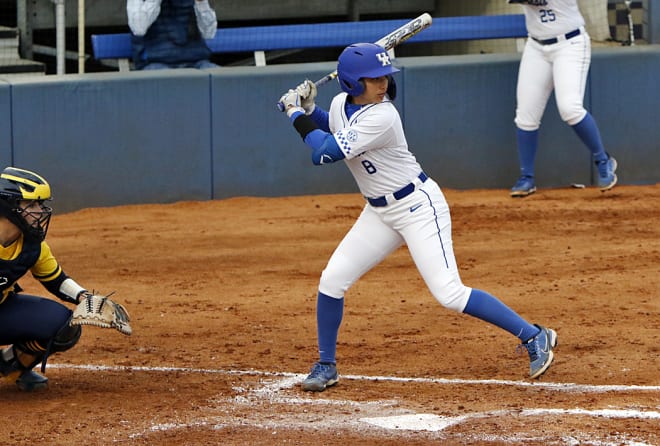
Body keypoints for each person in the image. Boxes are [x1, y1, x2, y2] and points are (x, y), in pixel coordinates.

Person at [277, 43, 558, 392]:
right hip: (379, 213)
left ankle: (534, 335)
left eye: (384, 77)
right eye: (373, 78)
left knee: (450, 294)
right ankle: (326, 364)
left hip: (417, 208)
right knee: (331, 281)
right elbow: (333, 124)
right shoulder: (340, 104)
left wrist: (293, 112)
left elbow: (325, 153)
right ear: (351, 84)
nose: (383, 84)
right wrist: (310, 109)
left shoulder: (384, 115)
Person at [0, 167, 129, 392]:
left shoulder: (32, 246)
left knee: (62, 325)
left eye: (40, 204)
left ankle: (9, 365)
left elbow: (56, 279)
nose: (40, 211)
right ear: (8, 208)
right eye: (31, 205)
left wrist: (86, 298)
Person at [508, 0, 617, 197]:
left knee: (570, 108)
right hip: (536, 47)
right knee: (525, 115)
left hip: (570, 44)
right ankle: (527, 177)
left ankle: (603, 160)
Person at [127, 0, 219, 70]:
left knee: (221, 79)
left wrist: (201, 3)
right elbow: (138, 28)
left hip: (196, 62)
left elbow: (209, 33)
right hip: (155, 63)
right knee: (168, 83)